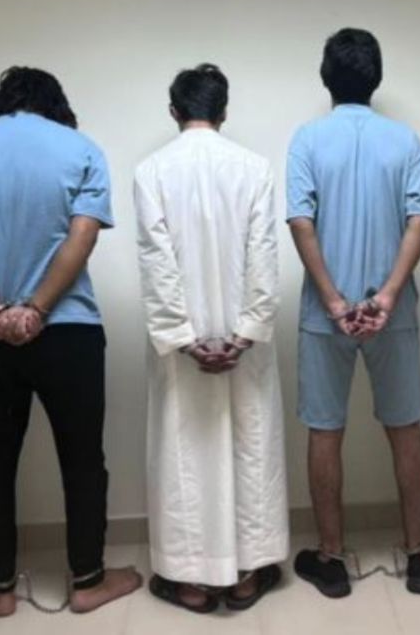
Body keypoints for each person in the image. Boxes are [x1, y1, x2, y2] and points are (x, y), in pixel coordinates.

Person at [0, 67, 141, 616]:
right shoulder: (81, 149)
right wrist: (37, 308)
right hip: (68, 331)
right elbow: (82, 237)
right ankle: (88, 580)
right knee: (83, 458)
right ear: (56, 105)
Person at [287, 27, 420, 597]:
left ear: (325, 77)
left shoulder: (307, 139)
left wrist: (334, 299)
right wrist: (388, 295)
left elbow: (300, 220)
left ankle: (331, 558)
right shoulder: (406, 141)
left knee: (324, 430)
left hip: (324, 312)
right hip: (391, 311)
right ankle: (419, 554)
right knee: (405, 427)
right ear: (376, 78)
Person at [135, 64, 288, 613]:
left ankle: (192, 581)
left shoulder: (151, 171)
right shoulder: (254, 167)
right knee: (251, 448)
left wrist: (184, 338)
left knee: (185, 456)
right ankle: (247, 575)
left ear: (173, 111)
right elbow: (263, 257)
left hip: (184, 347)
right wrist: (244, 335)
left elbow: (156, 261)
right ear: (224, 112)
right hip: (243, 344)